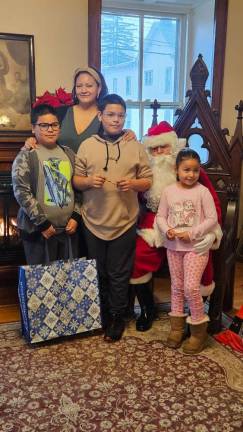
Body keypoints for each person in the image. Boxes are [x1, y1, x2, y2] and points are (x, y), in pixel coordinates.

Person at [73, 94, 153, 342]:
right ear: (100, 115)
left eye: (120, 115)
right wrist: (87, 181)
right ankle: (102, 314)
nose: (116, 120)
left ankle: (118, 316)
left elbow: (148, 180)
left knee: (119, 273)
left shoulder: (135, 145)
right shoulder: (87, 145)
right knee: (98, 271)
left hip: (124, 221)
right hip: (93, 221)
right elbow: (76, 179)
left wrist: (133, 184)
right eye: (110, 114)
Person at [129, 121, 222, 332]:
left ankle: (194, 314)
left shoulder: (190, 169)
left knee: (203, 268)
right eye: (154, 148)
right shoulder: (145, 171)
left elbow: (213, 204)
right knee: (137, 256)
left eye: (164, 147)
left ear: (174, 147)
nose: (159, 152)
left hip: (192, 226)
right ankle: (147, 309)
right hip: (154, 224)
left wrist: (212, 234)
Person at [156, 148, 218, 354]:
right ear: (177, 170)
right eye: (186, 170)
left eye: (195, 170)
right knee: (177, 287)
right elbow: (160, 217)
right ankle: (177, 328)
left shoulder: (203, 192)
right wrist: (168, 230)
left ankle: (198, 330)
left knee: (191, 287)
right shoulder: (169, 191)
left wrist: (192, 233)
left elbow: (212, 219)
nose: (191, 174)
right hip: (173, 247)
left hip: (195, 248)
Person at [12, 104, 81, 265]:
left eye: (54, 125)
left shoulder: (69, 154)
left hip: (68, 231)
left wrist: (76, 216)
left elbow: (79, 187)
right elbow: (22, 192)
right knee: (42, 284)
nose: (50, 129)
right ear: (33, 128)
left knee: (67, 282)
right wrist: (42, 223)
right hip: (39, 233)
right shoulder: (27, 156)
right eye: (44, 125)